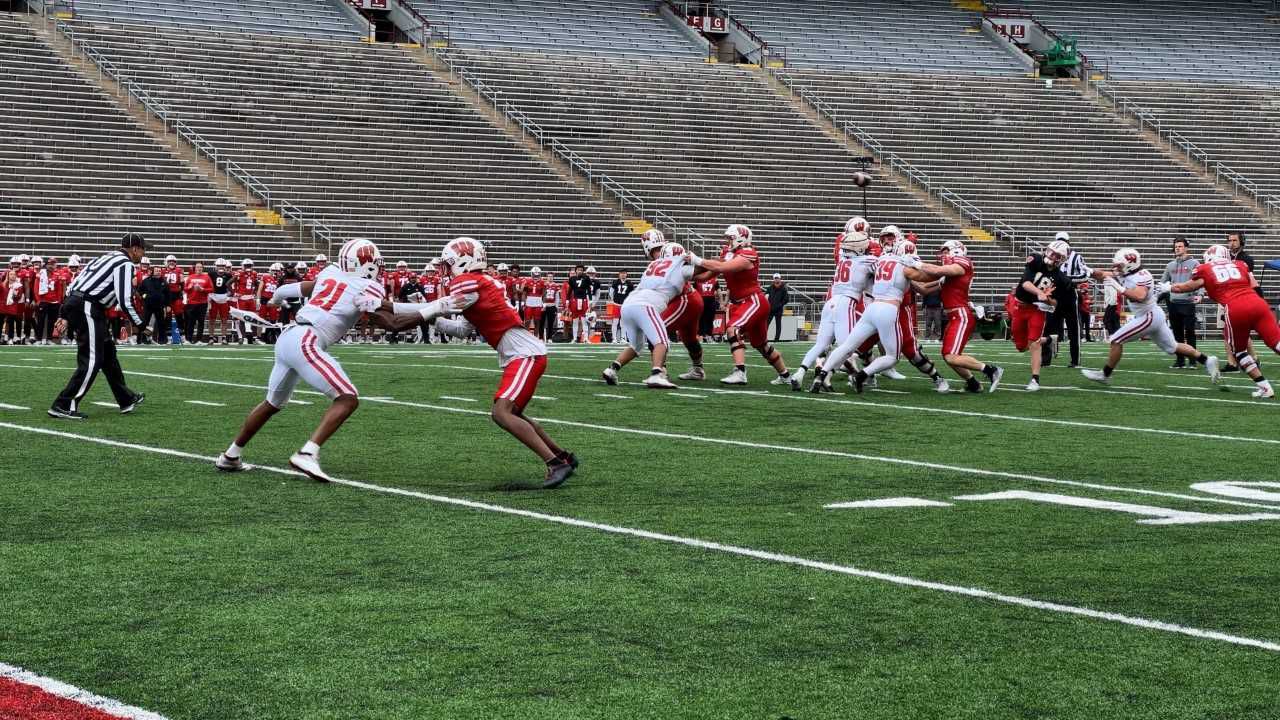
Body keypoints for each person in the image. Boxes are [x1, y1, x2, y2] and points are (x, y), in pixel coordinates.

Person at [378, 238, 577, 488]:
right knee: (514, 414)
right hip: (522, 353)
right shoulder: (481, 286)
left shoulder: (469, 281)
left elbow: (432, 307)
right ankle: (563, 457)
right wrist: (428, 318)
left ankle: (555, 463)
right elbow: (461, 329)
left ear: (463, 261)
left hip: (524, 354)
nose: (446, 270)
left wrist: (385, 306)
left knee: (502, 413)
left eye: (448, 264)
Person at [218, 239, 400, 480]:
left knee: (272, 403)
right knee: (347, 398)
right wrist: (432, 311)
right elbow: (390, 321)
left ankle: (230, 456)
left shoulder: (330, 272)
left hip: (289, 337)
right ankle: (307, 453)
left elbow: (282, 292)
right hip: (307, 339)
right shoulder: (370, 287)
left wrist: (275, 301)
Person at [809, 233, 947, 393]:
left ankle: (822, 375)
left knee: (847, 346)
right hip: (888, 311)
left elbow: (919, 287)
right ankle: (861, 375)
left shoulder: (878, 261)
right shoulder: (904, 266)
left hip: (871, 309)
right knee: (892, 357)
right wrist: (934, 271)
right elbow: (924, 276)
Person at [1079, 248, 1219, 386]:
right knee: (1173, 346)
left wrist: (1119, 288)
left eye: (1120, 265)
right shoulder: (1126, 273)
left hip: (1148, 316)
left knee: (1116, 340)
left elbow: (1140, 296)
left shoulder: (1142, 275)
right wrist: (1088, 271)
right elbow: (1102, 274)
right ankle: (1207, 360)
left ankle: (1105, 374)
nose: (1117, 267)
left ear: (1130, 264)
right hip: (1151, 315)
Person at [48, 233, 148, 419]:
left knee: (108, 353)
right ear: (135, 248)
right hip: (89, 306)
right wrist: (141, 324)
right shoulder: (125, 263)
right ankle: (64, 404)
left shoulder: (104, 257)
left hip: (79, 302)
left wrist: (65, 313)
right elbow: (125, 300)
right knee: (92, 358)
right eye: (143, 250)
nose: (143, 254)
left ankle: (126, 398)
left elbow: (74, 285)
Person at [1170, 243, 1278, 398]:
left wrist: (1169, 288)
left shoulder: (1205, 269)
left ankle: (1265, 388)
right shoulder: (1240, 264)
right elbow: (1255, 286)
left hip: (1236, 307)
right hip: (1258, 303)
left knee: (1239, 351)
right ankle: (1265, 388)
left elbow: (1186, 287)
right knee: (1276, 342)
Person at [697, 224, 797, 387]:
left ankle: (740, 372)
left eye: (730, 238)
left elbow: (722, 267)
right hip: (741, 302)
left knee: (732, 329)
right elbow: (708, 274)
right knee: (761, 345)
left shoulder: (748, 253)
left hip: (753, 300)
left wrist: (697, 259)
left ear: (740, 238)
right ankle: (785, 375)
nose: (728, 242)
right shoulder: (728, 253)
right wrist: (686, 272)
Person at [602, 230, 700, 388]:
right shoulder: (678, 266)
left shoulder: (653, 265)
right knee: (662, 341)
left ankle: (612, 369)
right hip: (646, 305)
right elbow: (703, 273)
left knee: (636, 345)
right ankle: (657, 374)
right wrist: (705, 261)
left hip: (629, 304)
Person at [793, 217, 875, 390]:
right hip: (846, 304)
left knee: (820, 345)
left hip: (830, 303)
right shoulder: (866, 261)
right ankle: (822, 377)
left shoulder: (842, 262)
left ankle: (799, 373)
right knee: (846, 347)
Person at [931, 239, 1003, 393]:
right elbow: (924, 289)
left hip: (961, 315)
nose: (943, 255)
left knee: (951, 356)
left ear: (955, 251)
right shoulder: (949, 274)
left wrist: (916, 265)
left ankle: (991, 370)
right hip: (955, 316)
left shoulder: (961, 263)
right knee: (948, 355)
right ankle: (973, 383)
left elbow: (936, 272)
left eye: (946, 251)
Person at [1009, 240, 1069, 391]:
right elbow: (1025, 283)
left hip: (1037, 310)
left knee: (1034, 344)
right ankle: (1049, 339)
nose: (1053, 256)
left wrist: (1048, 299)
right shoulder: (1035, 259)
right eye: (1052, 252)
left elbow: (1055, 303)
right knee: (1021, 347)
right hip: (1019, 307)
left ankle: (1035, 380)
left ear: (1061, 259)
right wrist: (1040, 292)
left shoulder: (1061, 278)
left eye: (1057, 255)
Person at [1045, 233, 1088, 368]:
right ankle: (1047, 358)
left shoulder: (1076, 257)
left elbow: (1084, 275)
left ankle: (1074, 360)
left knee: (1072, 329)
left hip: (1068, 296)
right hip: (1054, 296)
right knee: (1051, 328)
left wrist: (1065, 279)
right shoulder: (1050, 255)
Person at [1162, 237, 1201, 368]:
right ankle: (1180, 361)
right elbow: (1163, 283)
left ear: (1186, 248)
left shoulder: (1195, 263)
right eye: (1176, 246)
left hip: (1188, 302)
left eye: (1180, 246)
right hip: (1173, 303)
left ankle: (1193, 361)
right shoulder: (1170, 265)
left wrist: (1200, 295)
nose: (1177, 248)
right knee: (1176, 333)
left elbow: (1201, 280)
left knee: (1190, 332)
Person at [1225, 231, 1259, 371]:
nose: (1231, 243)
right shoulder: (1225, 257)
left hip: (1240, 297)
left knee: (1242, 331)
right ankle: (1232, 363)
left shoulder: (1246, 259)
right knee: (1225, 330)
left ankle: (1254, 358)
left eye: (1234, 240)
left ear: (1241, 242)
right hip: (1226, 296)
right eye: (1230, 240)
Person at [34, 257, 68, 345]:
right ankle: (39, 339)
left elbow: (59, 289)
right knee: (40, 321)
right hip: (43, 300)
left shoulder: (57, 275)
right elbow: (36, 288)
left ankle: (49, 338)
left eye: (53, 264)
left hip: (54, 302)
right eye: (50, 264)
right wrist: (38, 300)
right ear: (46, 265)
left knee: (51, 321)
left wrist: (59, 301)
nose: (51, 266)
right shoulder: (40, 274)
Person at [183, 262, 213, 344]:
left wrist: (202, 289)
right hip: (191, 302)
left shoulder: (207, 277)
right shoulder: (190, 277)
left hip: (202, 303)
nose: (199, 268)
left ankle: (199, 339)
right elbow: (185, 289)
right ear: (195, 268)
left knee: (201, 322)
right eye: (197, 267)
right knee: (190, 322)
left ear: (202, 268)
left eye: (200, 267)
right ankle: (188, 339)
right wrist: (190, 287)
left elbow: (211, 289)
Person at [138, 266, 169, 343]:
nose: (158, 272)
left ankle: (162, 340)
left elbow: (168, 294)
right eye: (156, 271)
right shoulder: (146, 281)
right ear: (152, 272)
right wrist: (144, 296)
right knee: (144, 322)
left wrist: (167, 305)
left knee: (161, 323)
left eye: (159, 271)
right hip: (148, 305)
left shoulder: (164, 282)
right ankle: (141, 339)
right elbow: (140, 291)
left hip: (159, 306)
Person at [233, 258, 259, 343]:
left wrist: (255, 292)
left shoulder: (254, 273)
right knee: (242, 319)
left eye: (249, 265)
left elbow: (257, 284)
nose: (248, 267)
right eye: (246, 265)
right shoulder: (239, 273)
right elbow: (228, 283)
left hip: (250, 298)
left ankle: (255, 338)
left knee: (254, 318)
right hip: (242, 299)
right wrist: (235, 292)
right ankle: (243, 338)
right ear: (243, 266)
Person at [565, 265, 592, 342]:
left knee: (584, 320)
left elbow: (589, 290)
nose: (580, 271)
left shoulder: (586, 278)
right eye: (578, 270)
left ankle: (586, 338)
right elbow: (569, 291)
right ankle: (574, 338)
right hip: (575, 301)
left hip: (583, 300)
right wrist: (567, 300)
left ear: (583, 271)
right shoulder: (572, 279)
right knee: (575, 320)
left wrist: (590, 300)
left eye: (581, 270)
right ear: (576, 270)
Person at [161, 255, 185, 341]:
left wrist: (181, 292)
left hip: (176, 295)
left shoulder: (179, 270)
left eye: (173, 261)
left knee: (179, 315)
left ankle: (182, 335)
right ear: (166, 262)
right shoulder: (162, 271)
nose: (172, 262)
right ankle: (168, 336)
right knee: (167, 316)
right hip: (166, 296)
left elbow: (182, 283)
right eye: (170, 261)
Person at [608, 270, 633, 344]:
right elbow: (611, 292)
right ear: (619, 275)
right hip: (616, 304)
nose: (623, 275)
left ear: (627, 275)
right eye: (621, 273)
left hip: (624, 305)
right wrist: (613, 300)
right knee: (615, 322)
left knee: (623, 323)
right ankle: (614, 338)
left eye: (624, 273)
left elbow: (631, 294)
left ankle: (623, 338)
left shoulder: (629, 284)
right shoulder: (615, 282)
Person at [766, 273, 790, 342]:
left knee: (778, 324)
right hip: (770, 309)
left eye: (777, 278)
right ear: (773, 279)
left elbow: (786, 299)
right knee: (766, 324)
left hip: (778, 310)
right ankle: (764, 338)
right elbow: (766, 296)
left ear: (780, 279)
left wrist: (780, 305)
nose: (776, 279)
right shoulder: (770, 288)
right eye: (775, 278)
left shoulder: (783, 289)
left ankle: (777, 339)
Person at [696, 273, 719, 341]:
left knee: (710, 318)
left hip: (710, 300)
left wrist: (721, 302)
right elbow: (694, 290)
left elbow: (718, 291)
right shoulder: (698, 279)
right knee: (701, 318)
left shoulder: (715, 279)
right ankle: (701, 335)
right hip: (701, 300)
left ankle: (708, 334)